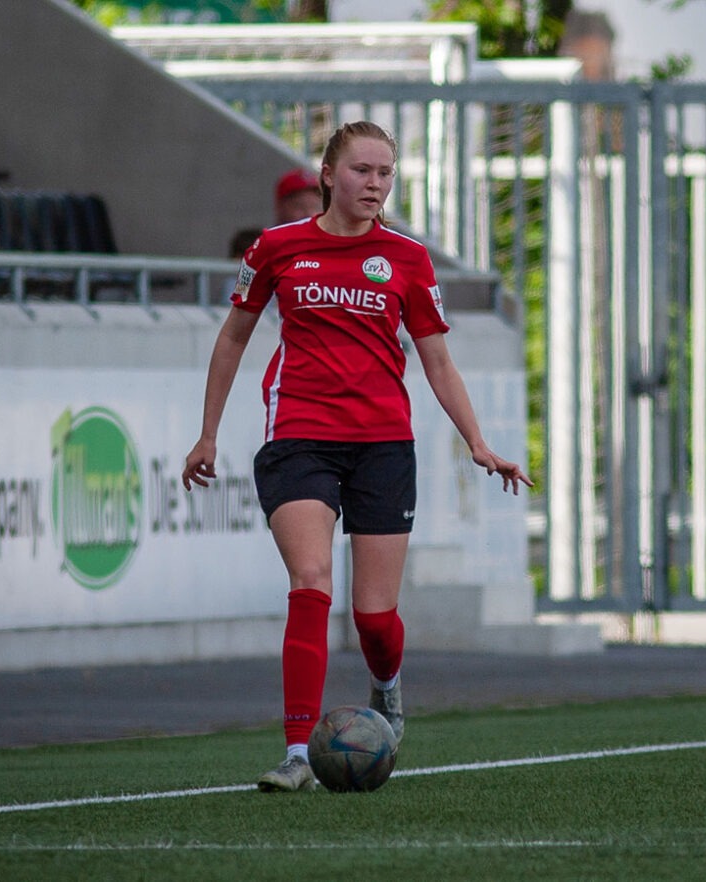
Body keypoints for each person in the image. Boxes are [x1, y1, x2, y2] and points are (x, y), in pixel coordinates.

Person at [183, 121, 532, 793]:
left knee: (373, 617)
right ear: (328, 174)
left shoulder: (407, 257)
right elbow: (232, 338)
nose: (374, 184)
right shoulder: (277, 247)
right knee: (311, 580)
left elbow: (437, 360)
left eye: (384, 173)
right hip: (298, 433)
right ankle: (296, 753)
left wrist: (478, 442)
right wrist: (208, 434)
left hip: (382, 443)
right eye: (361, 171)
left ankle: (387, 685)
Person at [228, 167, 323, 259]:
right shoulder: (259, 246)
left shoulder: (328, 247)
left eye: (315, 206)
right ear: (280, 207)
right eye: (299, 206)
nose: (308, 214)